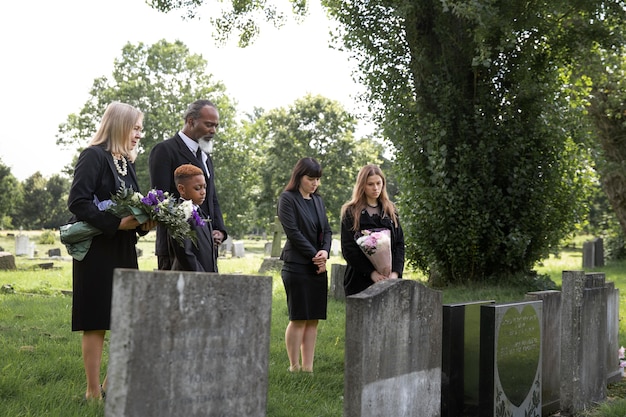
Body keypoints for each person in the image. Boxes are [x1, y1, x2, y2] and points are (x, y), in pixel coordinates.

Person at [67, 102, 157, 401]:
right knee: (97, 320)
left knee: (127, 319)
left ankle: (109, 386)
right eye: (135, 128)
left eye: (140, 130)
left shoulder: (126, 163)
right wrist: (117, 223)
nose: (138, 135)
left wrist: (145, 223)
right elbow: (78, 202)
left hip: (122, 250)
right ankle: (93, 392)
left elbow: (133, 206)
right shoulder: (93, 157)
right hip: (96, 250)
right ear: (119, 125)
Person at [149, 99, 227, 271]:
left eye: (216, 126)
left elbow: (212, 198)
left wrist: (218, 230)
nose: (213, 131)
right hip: (176, 249)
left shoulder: (206, 158)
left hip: (206, 246)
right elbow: (160, 200)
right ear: (191, 121)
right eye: (208, 125)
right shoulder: (165, 150)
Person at [277, 157, 332, 373]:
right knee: (299, 318)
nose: (315, 183)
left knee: (313, 320)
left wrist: (324, 252)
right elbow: (294, 233)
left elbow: (326, 230)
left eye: (318, 179)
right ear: (299, 177)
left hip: (317, 266)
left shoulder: (317, 200)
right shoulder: (287, 199)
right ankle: (294, 366)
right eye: (311, 179)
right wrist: (315, 256)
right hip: (297, 265)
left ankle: (308, 369)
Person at [340, 164, 405, 296]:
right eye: (370, 184)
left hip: (389, 278)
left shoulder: (390, 210)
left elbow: (399, 244)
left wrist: (395, 273)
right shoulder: (351, 212)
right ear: (362, 185)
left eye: (378, 183)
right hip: (359, 280)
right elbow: (349, 248)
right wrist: (371, 273)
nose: (375, 188)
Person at [168, 164, 215, 272]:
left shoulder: (201, 213)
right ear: (181, 189)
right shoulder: (179, 215)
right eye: (197, 188)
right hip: (191, 279)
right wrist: (201, 276)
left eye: (204, 187)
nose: (203, 192)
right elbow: (185, 253)